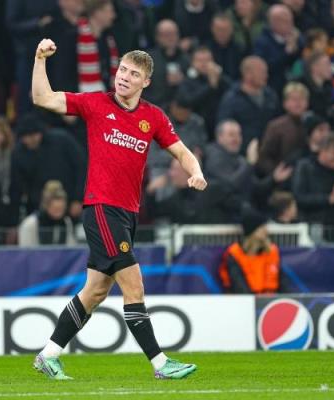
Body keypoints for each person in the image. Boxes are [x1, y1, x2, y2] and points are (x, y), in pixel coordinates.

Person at [31, 38, 206, 380]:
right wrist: (40, 59)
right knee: (133, 285)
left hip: (127, 214)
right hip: (101, 208)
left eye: (133, 73)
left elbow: (181, 151)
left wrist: (196, 172)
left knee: (96, 290)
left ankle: (48, 355)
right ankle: (160, 363)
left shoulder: (153, 117)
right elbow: (43, 98)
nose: (124, 77)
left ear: (146, 82)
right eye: (122, 70)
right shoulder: (95, 104)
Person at [218, 206, 280, 294]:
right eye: (261, 227)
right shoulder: (234, 253)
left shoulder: (272, 251)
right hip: (242, 298)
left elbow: (275, 279)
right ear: (252, 231)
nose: (266, 230)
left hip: (267, 298)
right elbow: (237, 282)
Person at [18, 180, 76, 247]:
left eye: (61, 209)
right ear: (46, 206)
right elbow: (25, 250)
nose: (59, 214)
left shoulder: (66, 222)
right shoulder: (30, 224)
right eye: (55, 209)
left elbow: (70, 248)